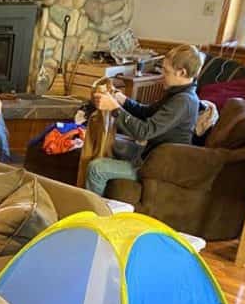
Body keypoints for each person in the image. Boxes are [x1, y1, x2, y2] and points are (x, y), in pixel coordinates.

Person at [85, 44, 202, 196]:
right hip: (152, 154)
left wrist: (114, 108)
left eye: (166, 71)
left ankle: (94, 215)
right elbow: (146, 112)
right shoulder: (178, 93)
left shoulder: (183, 101)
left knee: (96, 169)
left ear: (181, 72)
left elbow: (144, 132)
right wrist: (123, 100)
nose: (162, 76)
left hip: (158, 166)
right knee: (112, 142)